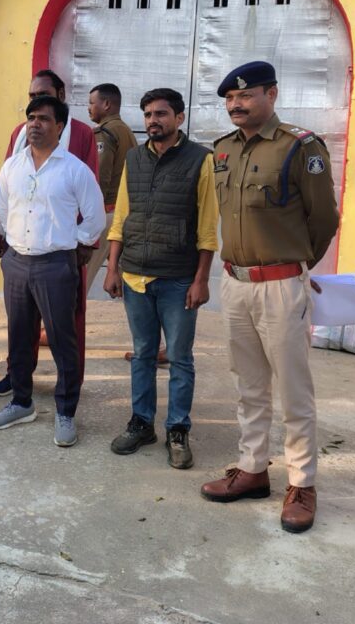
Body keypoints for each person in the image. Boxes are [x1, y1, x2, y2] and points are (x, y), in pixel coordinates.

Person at [200, 61, 339, 533]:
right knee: (249, 385)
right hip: (235, 283)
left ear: (272, 94)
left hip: (281, 286)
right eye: (229, 99)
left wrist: (297, 265)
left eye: (245, 95)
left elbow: (324, 218)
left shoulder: (300, 146)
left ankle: (302, 483)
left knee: (293, 390)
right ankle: (253, 469)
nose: (235, 105)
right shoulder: (222, 150)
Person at [104, 88, 218, 470]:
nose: (153, 120)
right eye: (148, 114)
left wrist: (201, 279)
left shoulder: (201, 160)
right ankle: (141, 423)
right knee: (142, 354)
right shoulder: (134, 158)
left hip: (178, 279)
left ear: (179, 118)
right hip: (135, 276)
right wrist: (113, 267)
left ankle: (177, 430)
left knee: (180, 358)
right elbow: (122, 217)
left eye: (161, 114)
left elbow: (207, 227)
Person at [0, 95, 105, 447]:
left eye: (43, 118)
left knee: (61, 340)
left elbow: (95, 218)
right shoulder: (12, 166)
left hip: (55, 265)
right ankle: (21, 402)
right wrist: (13, 246)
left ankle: (65, 411)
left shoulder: (74, 170)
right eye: (31, 117)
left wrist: (70, 241)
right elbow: (3, 209)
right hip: (17, 264)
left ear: (59, 126)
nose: (34, 124)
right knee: (19, 336)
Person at [86, 82, 137, 293]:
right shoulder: (126, 131)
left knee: (83, 274)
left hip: (106, 213)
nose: (88, 108)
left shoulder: (105, 133)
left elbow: (100, 177)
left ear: (106, 104)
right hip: (124, 212)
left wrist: (90, 214)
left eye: (91, 103)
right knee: (126, 278)